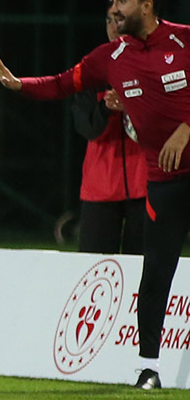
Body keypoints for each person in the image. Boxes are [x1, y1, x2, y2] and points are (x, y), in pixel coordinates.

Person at [0, 0, 190, 391]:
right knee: (155, 273)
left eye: (122, 0)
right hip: (163, 181)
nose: (114, 9)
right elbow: (63, 84)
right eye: (113, 0)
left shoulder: (184, 40)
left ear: (147, 5)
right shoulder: (110, 57)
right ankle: (148, 367)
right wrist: (18, 84)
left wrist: (187, 127)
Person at [69, 13, 146, 254]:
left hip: (145, 185)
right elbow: (87, 129)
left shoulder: (154, 68)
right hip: (100, 187)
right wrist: (106, 108)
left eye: (121, 21)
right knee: (94, 267)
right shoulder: (90, 71)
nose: (115, 28)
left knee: (144, 270)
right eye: (110, 21)